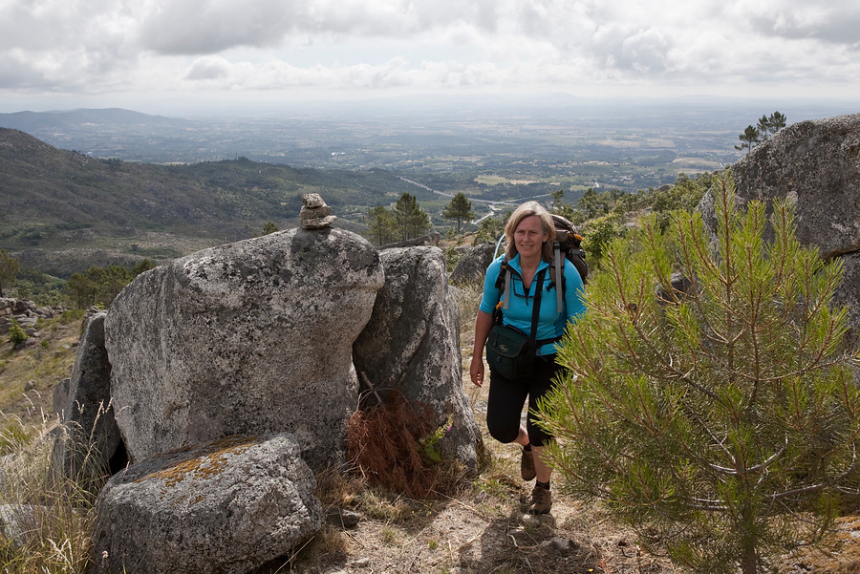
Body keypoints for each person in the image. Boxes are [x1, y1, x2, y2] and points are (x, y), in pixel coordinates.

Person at [470, 201, 586, 514]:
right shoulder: (500, 270)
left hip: (552, 359)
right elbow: (484, 312)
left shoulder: (564, 273)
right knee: (500, 428)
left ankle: (543, 489)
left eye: (534, 232)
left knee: (542, 429)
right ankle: (526, 447)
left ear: (546, 236)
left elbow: (580, 320)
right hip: (509, 357)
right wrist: (476, 357)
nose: (526, 238)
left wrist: (582, 363)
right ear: (512, 234)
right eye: (520, 231)